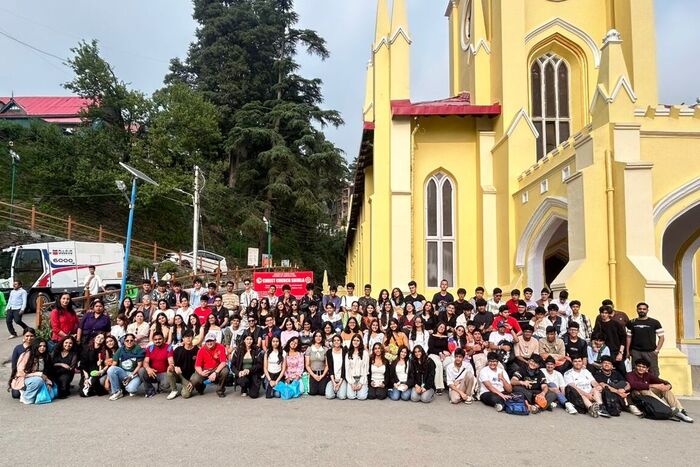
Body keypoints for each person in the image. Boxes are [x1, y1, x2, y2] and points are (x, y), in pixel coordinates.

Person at [627, 357, 692, 422]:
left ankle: (680, 410)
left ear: (647, 369)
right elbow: (633, 384)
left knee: (664, 389)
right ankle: (668, 409)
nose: (641, 368)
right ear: (635, 366)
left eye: (643, 367)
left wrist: (668, 386)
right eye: (639, 366)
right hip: (636, 396)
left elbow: (662, 381)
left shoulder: (647, 375)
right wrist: (653, 385)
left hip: (648, 396)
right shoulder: (630, 374)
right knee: (645, 390)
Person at [626, 302, 664, 377]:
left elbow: (661, 337)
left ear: (647, 310)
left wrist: (657, 350)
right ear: (637, 310)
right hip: (636, 352)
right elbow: (628, 337)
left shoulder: (655, 322)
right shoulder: (632, 322)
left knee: (653, 371)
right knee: (636, 371)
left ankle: (654, 384)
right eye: (640, 309)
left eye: (644, 309)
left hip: (650, 352)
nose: (642, 310)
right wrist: (627, 351)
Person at [11, 339, 52, 404]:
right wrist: (38, 374)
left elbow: (47, 373)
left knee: (52, 391)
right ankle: (26, 398)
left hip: (40, 379)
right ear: (35, 346)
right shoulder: (27, 355)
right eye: (40, 346)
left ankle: (32, 393)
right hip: (24, 379)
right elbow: (20, 372)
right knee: (38, 380)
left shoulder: (46, 356)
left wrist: (48, 383)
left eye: (44, 346)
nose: (42, 348)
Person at [192, 332, 231, 398]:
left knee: (225, 370)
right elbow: (197, 366)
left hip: (216, 368)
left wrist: (215, 373)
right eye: (207, 341)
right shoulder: (201, 350)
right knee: (194, 379)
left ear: (215, 340)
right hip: (205, 369)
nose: (209, 343)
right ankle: (201, 387)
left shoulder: (220, 347)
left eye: (211, 341)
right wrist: (201, 373)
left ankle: (220, 390)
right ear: (205, 342)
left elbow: (223, 362)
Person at [107, 333, 145, 400]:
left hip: (134, 374)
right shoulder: (120, 349)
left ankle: (126, 387)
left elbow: (139, 366)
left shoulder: (138, 349)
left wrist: (131, 376)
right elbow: (114, 364)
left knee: (131, 389)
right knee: (111, 369)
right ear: (124, 342)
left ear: (134, 341)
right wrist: (107, 380)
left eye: (131, 340)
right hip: (123, 373)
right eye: (127, 340)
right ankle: (117, 392)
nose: (129, 342)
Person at [593, 305, 627, 374]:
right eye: (602, 313)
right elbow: (593, 337)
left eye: (606, 313)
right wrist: (594, 346)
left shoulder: (615, 324)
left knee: (621, 371)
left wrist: (620, 353)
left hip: (615, 351)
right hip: (603, 352)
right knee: (605, 372)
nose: (604, 314)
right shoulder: (598, 324)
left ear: (609, 314)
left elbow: (623, 338)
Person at [138, 331, 174, 398]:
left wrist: (171, 365)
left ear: (163, 339)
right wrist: (148, 369)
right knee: (141, 371)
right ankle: (150, 390)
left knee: (166, 385)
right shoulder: (150, 348)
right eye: (155, 339)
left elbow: (171, 360)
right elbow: (145, 362)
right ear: (153, 340)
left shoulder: (169, 347)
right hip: (152, 373)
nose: (157, 341)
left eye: (159, 339)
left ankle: (160, 387)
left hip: (163, 373)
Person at [166, 329, 199, 400]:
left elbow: (198, 367)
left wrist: (193, 381)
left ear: (193, 337)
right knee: (169, 370)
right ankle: (174, 390)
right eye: (186, 337)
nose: (188, 338)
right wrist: (174, 366)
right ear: (183, 339)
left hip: (190, 377)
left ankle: (187, 386)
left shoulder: (197, 350)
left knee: (185, 395)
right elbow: (173, 363)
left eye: (190, 336)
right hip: (179, 374)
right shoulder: (178, 350)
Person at [8, 327, 36, 398]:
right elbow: (14, 365)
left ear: (34, 337)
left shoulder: (37, 348)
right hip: (20, 375)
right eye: (27, 336)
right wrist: (15, 376)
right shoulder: (18, 348)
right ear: (23, 336)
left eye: (31, 336)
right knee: (16, 395)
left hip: (33, 375)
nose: (29, 338)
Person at [79, 333, 109, 397]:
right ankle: (91, 388)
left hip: (98, 372)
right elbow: (82, 364)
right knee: (83, 394)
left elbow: (107, 364)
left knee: (94, 384)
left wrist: (102, 366)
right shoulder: (86, 349)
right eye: (98, 337)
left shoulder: (104, 350)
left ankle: (95, 387)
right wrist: (86, 377)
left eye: (102, 338)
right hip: (87, 372)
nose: (99, 339)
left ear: (104, 340)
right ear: (94, 338)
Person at [427, 322, 450, 394]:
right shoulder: (432, 336)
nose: (442, 328)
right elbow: (431, 348)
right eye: (440, 326)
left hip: (444, 355)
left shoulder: (446, 337)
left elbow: (447, 348)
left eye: (443, 327)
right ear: (437, 327)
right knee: (438, 364)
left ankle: (450, 384)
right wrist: (440, 352)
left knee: (450, 363)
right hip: (433, 354)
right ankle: (439, 387)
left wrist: (445, 353)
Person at [344, 333, 369, 400]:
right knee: (351, 396)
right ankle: (354, 390)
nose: (356, 342)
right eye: (354, 340)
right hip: (352, 378)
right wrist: (352, 383)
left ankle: (361, 389)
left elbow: (366, 369)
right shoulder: (348, 354)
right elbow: (347, 369)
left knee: (362, 397)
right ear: (352, 341)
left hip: (362, 378)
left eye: (358, 340)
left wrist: (361, 383)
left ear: (360, 342)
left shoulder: (365, 353)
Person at [305, 331, 329, 396]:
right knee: (313, 392)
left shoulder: (325, 349)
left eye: (320, 336)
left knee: (322, 392)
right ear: (314, 337)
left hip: (322, 373)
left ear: (322, 337)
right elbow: (307, 365)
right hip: (313, 373)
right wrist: (313, 375)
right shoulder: (309, 349)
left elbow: (327, 365)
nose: (318, 338)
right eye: (316, 336)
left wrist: (322, 375)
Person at [325, 334, 347, 399]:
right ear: (332, 342)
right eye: (334, 340)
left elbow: (344, 368)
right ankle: (335, 390)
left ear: (341, 342)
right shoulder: (329, 352)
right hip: (332, 378)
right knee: (329, 396)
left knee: (342, 396)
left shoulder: (345, 352)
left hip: (342, 378)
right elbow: (330, 368)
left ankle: (338, 390)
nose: (336, 342)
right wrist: (334, 383)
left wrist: (339, 383)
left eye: (338, 340)